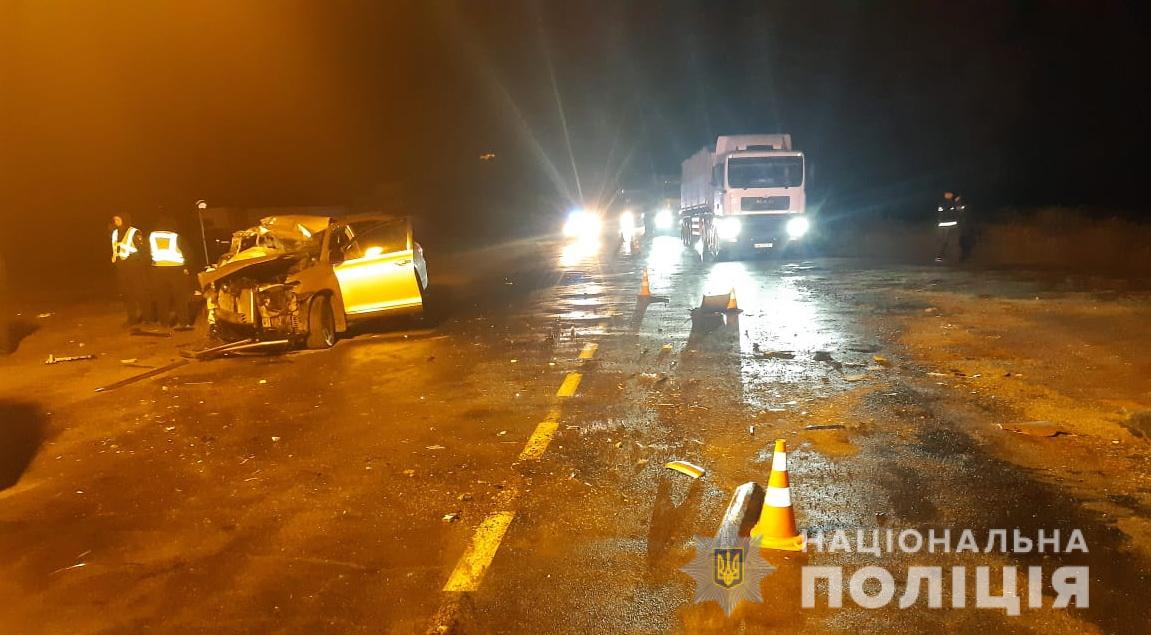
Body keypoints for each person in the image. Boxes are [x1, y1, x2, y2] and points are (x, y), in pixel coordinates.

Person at [147, 218, 194, 330]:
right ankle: (183, 322)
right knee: (180, 297)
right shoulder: (175, 237)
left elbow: (146, 252)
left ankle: (164, 322)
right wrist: (188, 267)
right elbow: (188, 253)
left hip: (158, 269)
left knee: (162, 297)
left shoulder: (152, 236)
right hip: (176, 270)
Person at [111, 214, 148, 325]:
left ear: (124, 220)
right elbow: (115, 248)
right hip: (122, 268)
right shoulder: (115, 233)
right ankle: (132, 318)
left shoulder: (134, 232)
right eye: (115, 220)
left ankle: (147, 317)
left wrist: (136, 261)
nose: (116, 221)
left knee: (140, 293)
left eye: (118, 219)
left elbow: (142, 250)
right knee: (126, 294)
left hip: (134, 266)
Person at [934, 192, 965, 262]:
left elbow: (941, 212)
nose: (950, 195)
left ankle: (939, 257)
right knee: (954, 242)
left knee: (942, 241)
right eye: (949, 194)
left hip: (942, 226)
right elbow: (960, 210)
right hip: (952, 225)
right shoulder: (953, 203)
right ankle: (955, 258)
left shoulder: (941, 203)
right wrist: (958, 202)